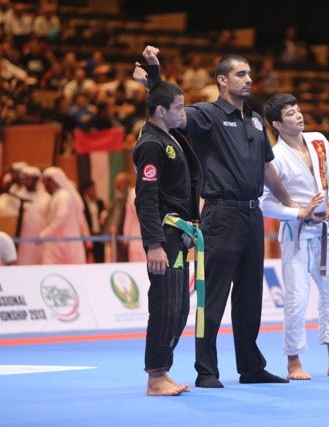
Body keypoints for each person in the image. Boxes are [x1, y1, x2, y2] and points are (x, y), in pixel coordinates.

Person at [134, 45, 295, 388]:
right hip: (220, 214)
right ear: (222, 80)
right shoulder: (206, 114)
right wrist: (154, 78)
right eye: (241, 74)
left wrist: (291, 203)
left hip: (253, 216)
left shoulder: (254, 119)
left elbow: (267, 167)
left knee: (250, 296)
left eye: (250, 74)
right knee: (213, 297)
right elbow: (170, 113)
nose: (249, 79)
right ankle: (207, 370)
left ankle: (251, 367)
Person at [261, 93, 329, 380]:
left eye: (298, 110)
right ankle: (293, 362)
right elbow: (264, 202)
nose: (299, 115)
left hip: (322, 231)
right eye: (291, 113)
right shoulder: (274, 157)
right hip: (295, 234)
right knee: (296, 299)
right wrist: (299, 212)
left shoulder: (319, 140)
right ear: (277, 124)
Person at [132, 80, 202, 396]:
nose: (182, 112)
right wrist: (154, 244)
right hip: (164, 237)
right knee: (165, 305)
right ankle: (154, 377)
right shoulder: (151, 144)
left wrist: (153, 72)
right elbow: (145, 198)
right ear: (160, 111)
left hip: (178, 233)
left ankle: (164, 369)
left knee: (179, 307)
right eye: (178, 107)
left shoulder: (168, 137)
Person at [40, 167, 91, 264]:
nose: (44, 187)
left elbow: (61, 219)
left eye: (46, 183)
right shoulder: (57, 196)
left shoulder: (64, 196)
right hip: (58, 246)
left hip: (66, 246)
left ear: (53, 181)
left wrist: (45, 234)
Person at [16, 166, 50, 265]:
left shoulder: (46, 198)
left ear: (36, 180)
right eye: (25, 178)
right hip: (23, 241)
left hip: (41, 239)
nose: (27, 181)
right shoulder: (16, 196)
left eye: (29, 178)